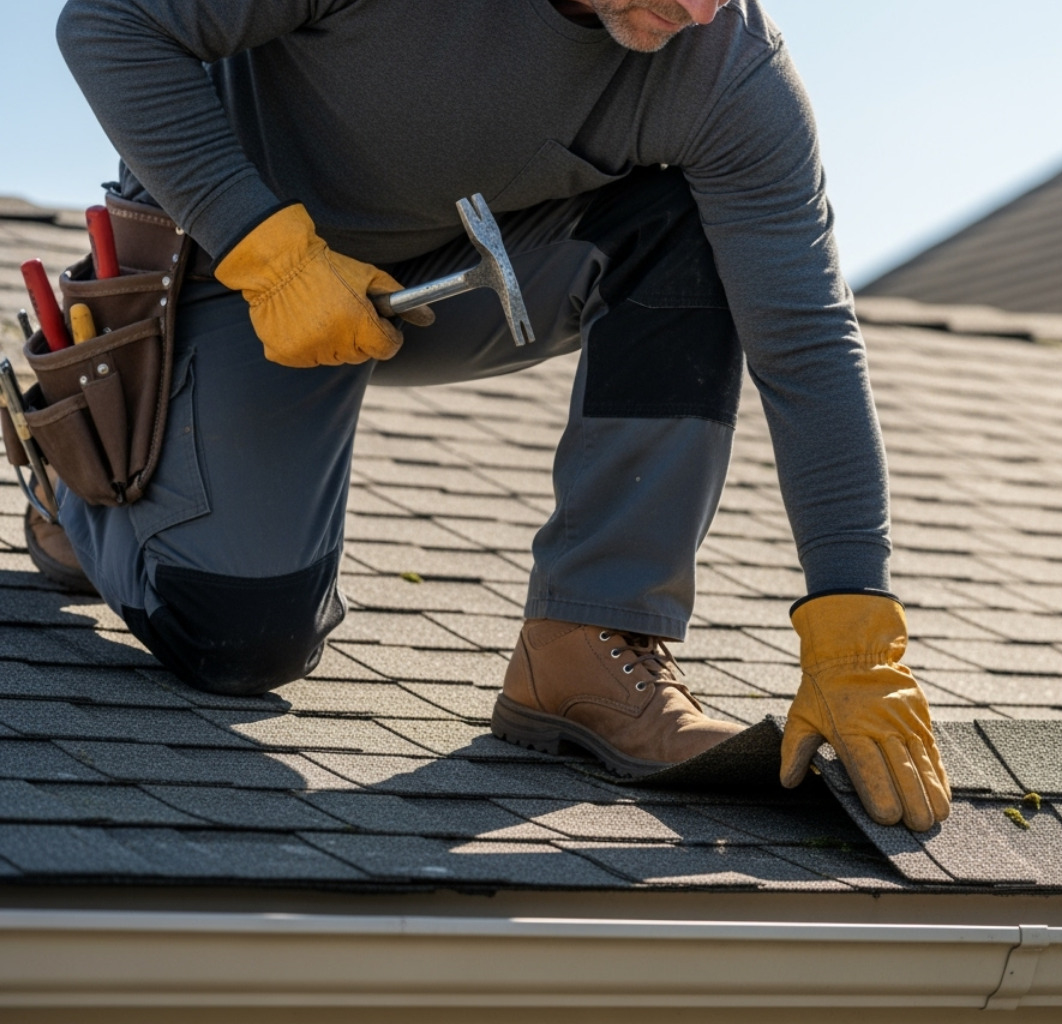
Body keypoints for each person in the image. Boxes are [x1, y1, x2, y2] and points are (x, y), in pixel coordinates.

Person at [51, 0, 950, 831]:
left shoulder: (726, 67)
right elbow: (106, 23)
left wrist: (856, 628)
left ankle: (586, 640)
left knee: (695, 232)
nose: (703, 9)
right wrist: (271, 255)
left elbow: (807, 338)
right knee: (240, 646)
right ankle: (77, 479)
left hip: (448, 278)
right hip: (230, 252)